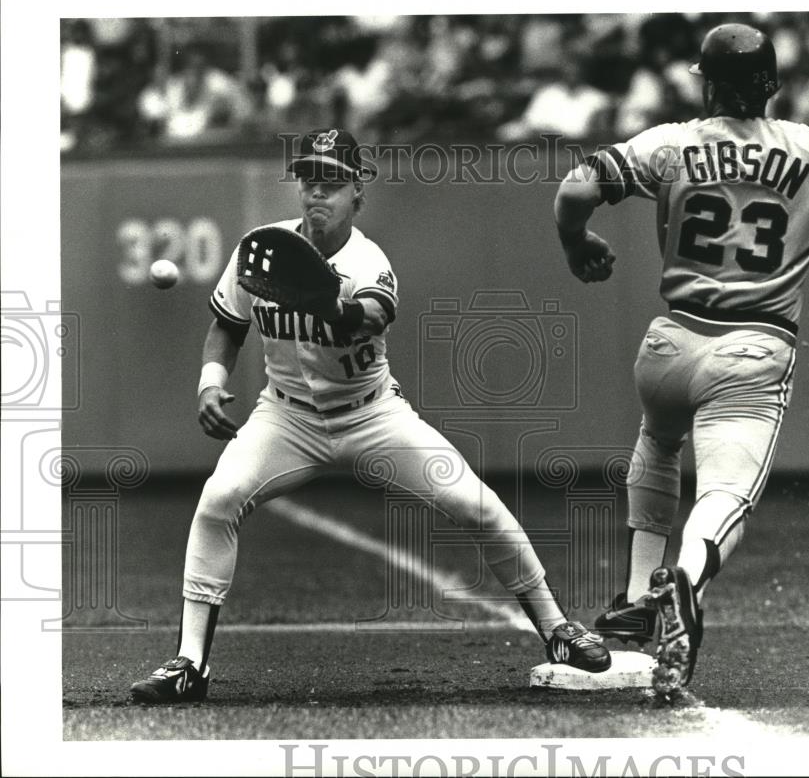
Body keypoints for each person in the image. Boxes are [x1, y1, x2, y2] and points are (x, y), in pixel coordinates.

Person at [129, 128, 610, 704]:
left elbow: (365, 318)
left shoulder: (368, 261)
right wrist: (211, 383)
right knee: (218, 501)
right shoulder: (262, 248)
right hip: (286, 418)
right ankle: (189, 664)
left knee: (476, 505)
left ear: (358, 192)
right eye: (309, 179)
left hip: (372, 414)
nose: (317, 193)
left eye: (331, 182)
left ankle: (556, 629)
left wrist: (317, 297)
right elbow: (227, 328)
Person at [552, 23, 809, 700]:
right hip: (752, 349)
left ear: (707, 83)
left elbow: (576, 187)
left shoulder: (671, 142)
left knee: (658, 444)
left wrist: (578, 243)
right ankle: (684, 586)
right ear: (774, 86)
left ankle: (638, 594)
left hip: (667, 344)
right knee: (727, 496)